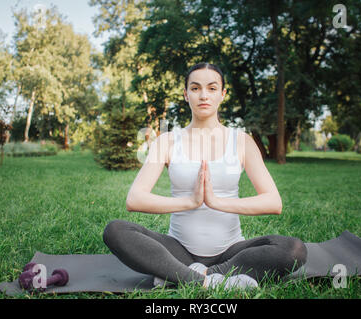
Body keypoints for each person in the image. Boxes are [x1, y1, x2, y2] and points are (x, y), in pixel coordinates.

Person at [103, 62, 307, 289]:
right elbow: (135, 199)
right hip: (178, 250)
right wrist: (190, 201)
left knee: (294, 249)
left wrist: (216, 202)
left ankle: (181, 276)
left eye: (211, 88)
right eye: (195, 88)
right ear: (185, 94)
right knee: (115, 230)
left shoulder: (241, 142)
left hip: (231, 252)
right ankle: (208, 280)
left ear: (223, 94)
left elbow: (273, 201)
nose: (203, 95)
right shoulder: (167, 141)